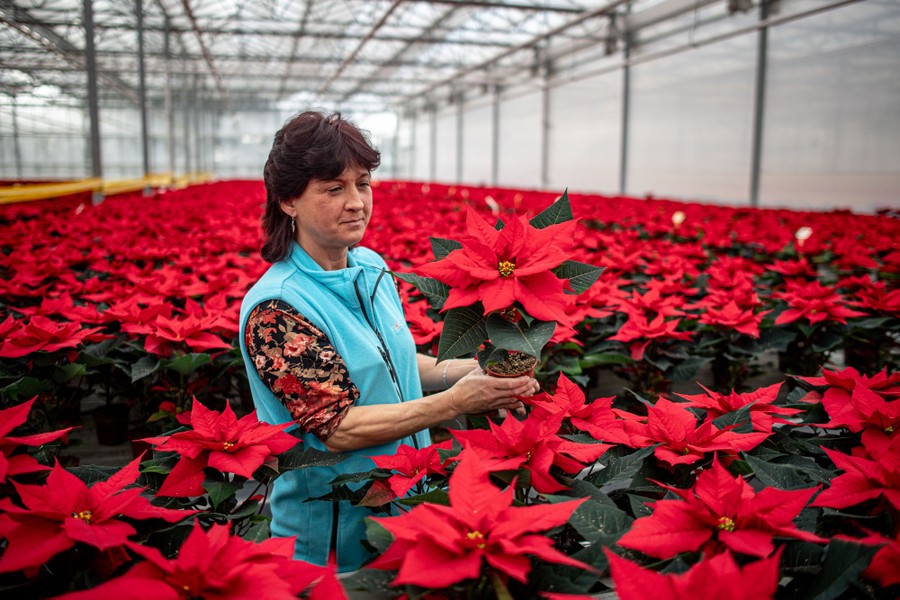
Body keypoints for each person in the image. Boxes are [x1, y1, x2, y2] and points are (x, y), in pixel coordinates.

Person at [238, 111, 539, 572]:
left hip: (405, 504)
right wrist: (458, 402)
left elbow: (395, 362)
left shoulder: (371, 266)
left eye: (363, 183)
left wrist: (477, 373)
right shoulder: (277, 309)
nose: (356, 202)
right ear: (288, 201)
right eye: (333, 189)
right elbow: (338, 428)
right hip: (334, 535)